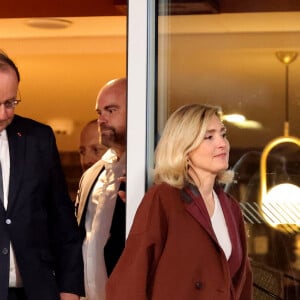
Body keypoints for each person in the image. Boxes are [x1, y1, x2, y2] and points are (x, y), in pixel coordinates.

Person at [106, 104, 253, 300]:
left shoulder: (231, 207)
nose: (222, 144)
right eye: (209, 137)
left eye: (222, 134)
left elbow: (241, 285)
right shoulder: (163, 199)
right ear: (184, 148)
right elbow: (130, 280)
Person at [0, 52, 84, 300]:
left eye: (10, 103)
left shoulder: (39, 139)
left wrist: (70, 289)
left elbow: (62, 220)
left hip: (35, 292)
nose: (4, 114)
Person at [75, 78, 127, 300]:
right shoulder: (90, 176)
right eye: (99, 112)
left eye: (111, 110)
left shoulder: (152, 173)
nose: (101, 119)